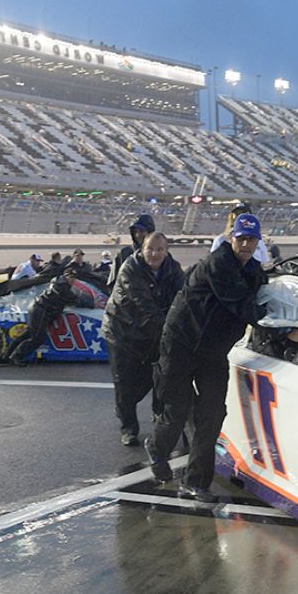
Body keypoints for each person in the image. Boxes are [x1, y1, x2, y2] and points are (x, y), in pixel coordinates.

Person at [146, 213, 267, 503]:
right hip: (181, 343)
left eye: (252, 239)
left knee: (212, 414)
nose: (246, 244)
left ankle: (195, 483)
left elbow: (266, 289)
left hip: (213, 350)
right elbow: (246, 306)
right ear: (231, 238)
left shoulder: (253, 270)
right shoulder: (219, 264)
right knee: (177, 409)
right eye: (242, 238)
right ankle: (157, 446)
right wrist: (287, 323)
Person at [103, 232, 184, 446]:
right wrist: (172, 328)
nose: (155, 254)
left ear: (166, 251)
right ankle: (128, 427)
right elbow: (144, 305)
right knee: (125, 383)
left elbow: (182, 298)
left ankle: (160, 421)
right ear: (142, 248)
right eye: (150, 249)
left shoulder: (173, 268)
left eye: (160, 249)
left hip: (153, 332)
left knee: (161, 378)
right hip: (122, 332)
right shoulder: (130, 268)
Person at [5, 268, 87, 366]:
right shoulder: (62, 286)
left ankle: (6, 355)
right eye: (71, 277)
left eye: (74, 278)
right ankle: (16, 356)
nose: (72, 280)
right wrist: (92, 303)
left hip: (38, 308)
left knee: (28, 334)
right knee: (38, 338)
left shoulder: (60, 283)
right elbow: (74, 299)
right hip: (40, 310)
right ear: (65, 276)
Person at [109, 214, 156, 286]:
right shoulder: (124, 254)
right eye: (135, 232)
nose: (138, 235)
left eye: (141, 231)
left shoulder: (160, 255)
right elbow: (113, 283)